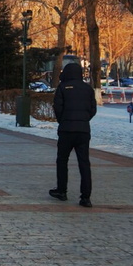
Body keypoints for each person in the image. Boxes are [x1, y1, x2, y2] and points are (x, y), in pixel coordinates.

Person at [49, 62, 96, 208]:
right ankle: (86, 197)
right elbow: (92, 109)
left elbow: (57, 107)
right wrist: (83, 120)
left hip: (66, 130)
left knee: (62, 160)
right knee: (84, 163)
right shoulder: (88, 89)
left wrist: (63, 121)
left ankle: (62, 191)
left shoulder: (62, 88)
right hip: (83, 131)